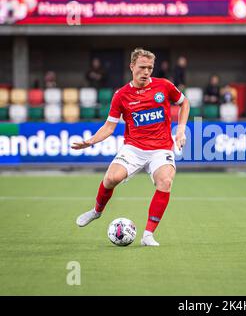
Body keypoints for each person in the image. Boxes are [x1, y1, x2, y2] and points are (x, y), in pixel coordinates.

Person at [73, 48, 190, 246]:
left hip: (161, 148)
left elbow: (184, 102)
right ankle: (96, 211)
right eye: (142, 67)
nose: (146, 72)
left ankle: (148, 235)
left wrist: (180, 130)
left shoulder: (164, 86)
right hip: (134, 148)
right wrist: (91, 140)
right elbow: (109, 127)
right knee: (111, 178)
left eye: (150, 68)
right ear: (132, 67)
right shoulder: (121, 95)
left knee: (166, 181)